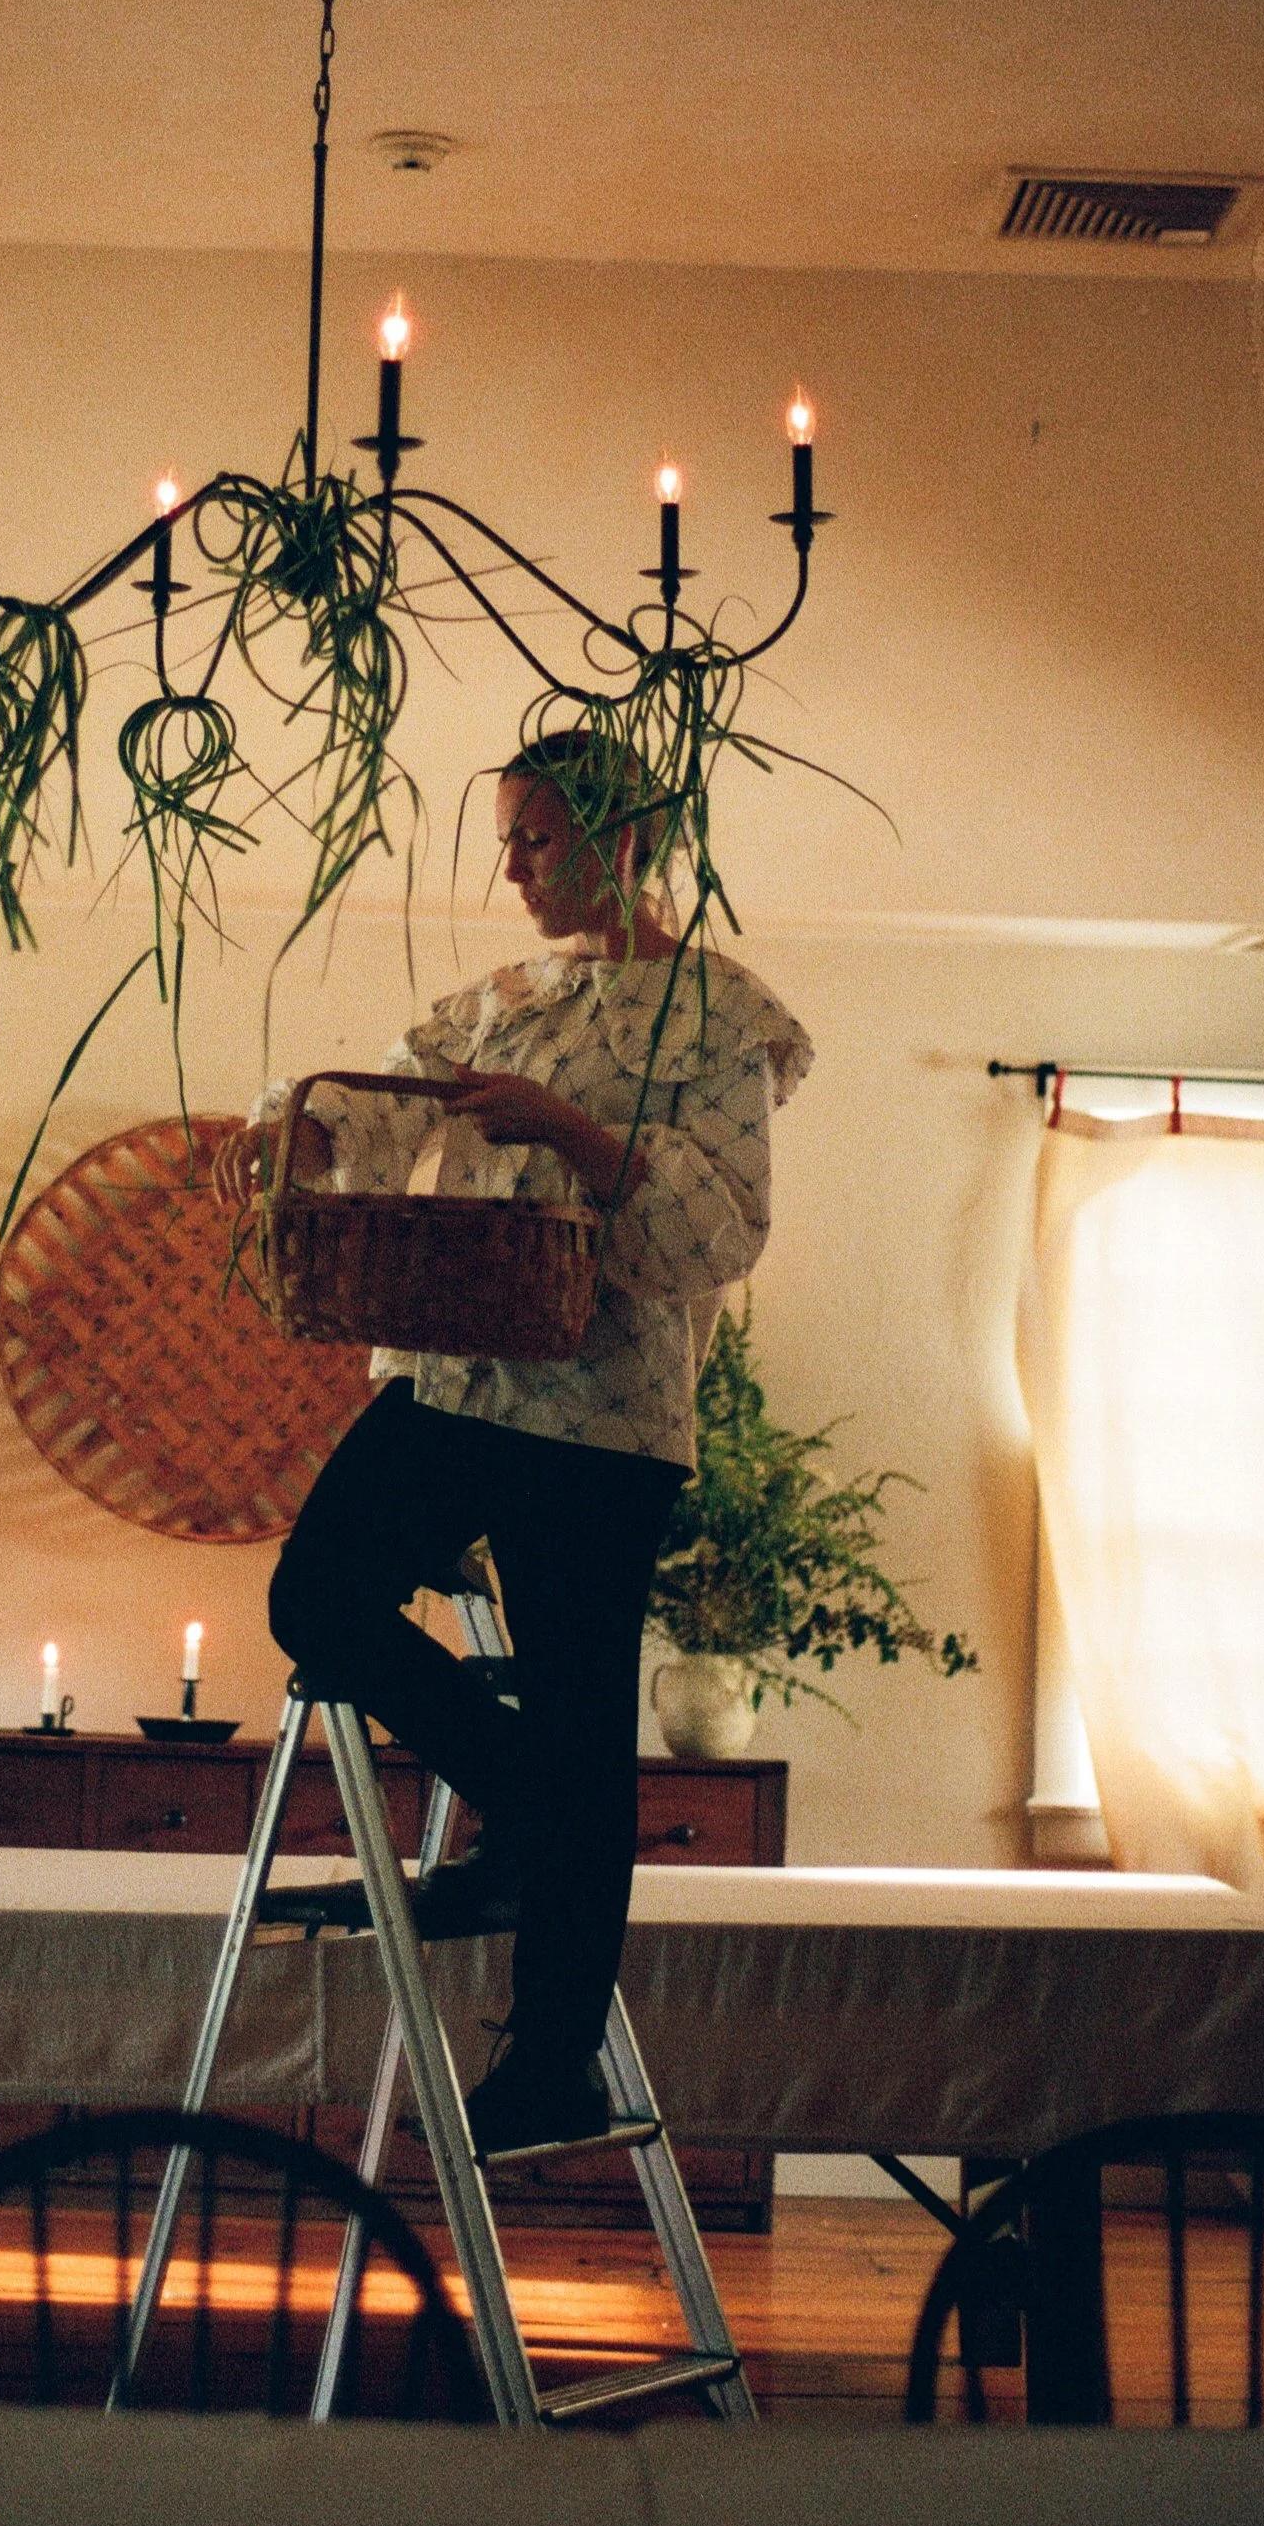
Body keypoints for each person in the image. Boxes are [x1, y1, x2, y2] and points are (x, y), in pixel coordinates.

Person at [216, 733, 813, 2158]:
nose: (511, 867)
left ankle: (550, 2059)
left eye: (535, 839)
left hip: (605, 1415)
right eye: (507, 838)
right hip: (455, 1366)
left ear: (621, 839)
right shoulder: (494, 1004)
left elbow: (718, 1234)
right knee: (315, 1596)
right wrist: (279, 1135)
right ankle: (533, 1809)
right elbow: (384, 1112)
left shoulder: (718, 1014)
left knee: (580, 1706)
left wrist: (577, 1135)